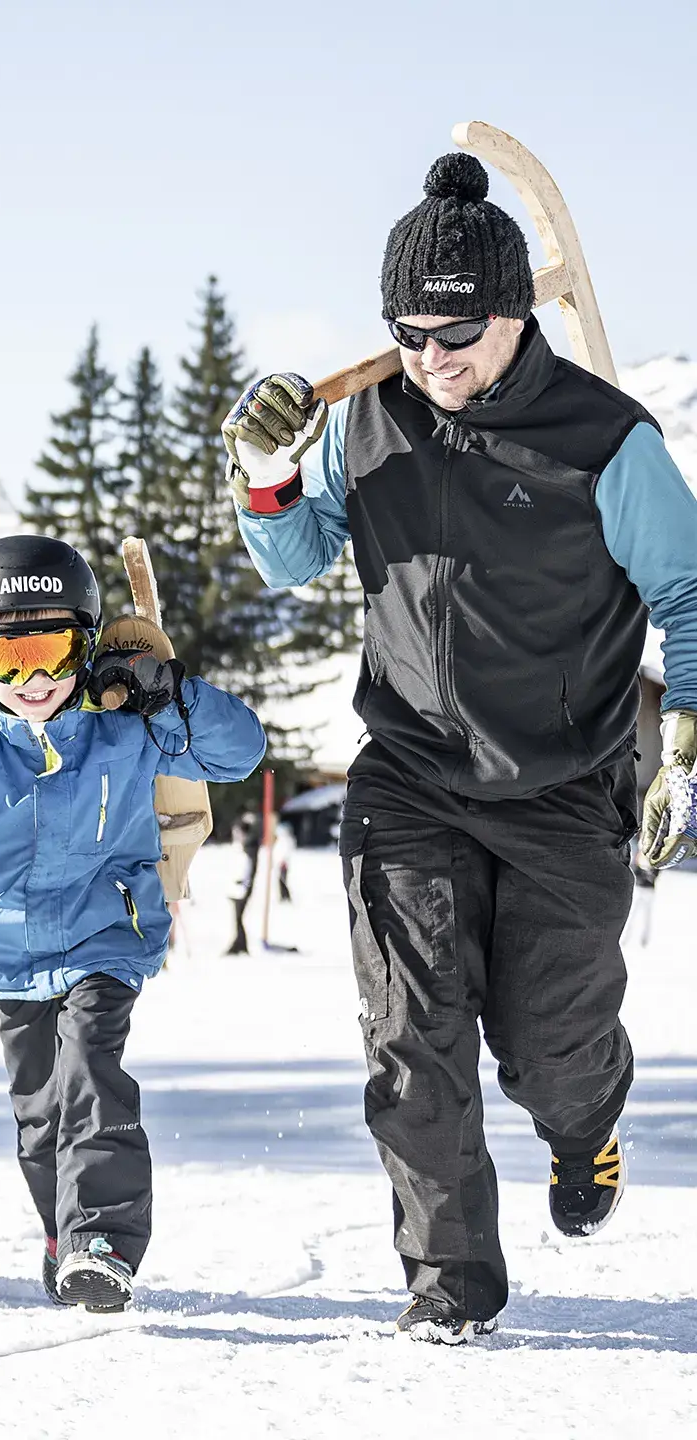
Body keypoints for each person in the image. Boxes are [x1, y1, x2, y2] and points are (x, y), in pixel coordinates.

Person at [223, 153, 697, 1343]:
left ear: (517, 310)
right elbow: (289, 559)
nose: (434, 356)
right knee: (412, 1047)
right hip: (412, 782)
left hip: (567, 786)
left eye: (460, 330)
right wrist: (267, 474)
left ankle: (585, 1131)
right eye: (410, 331)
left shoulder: (606, 437)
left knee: (550, 1050)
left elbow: (688, 591)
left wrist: (684, 736)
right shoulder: (367, 423)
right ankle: (449, 1289)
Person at [0, 536, 265, 1312]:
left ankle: (103, 1241)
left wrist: (171, 694)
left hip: (103, 936)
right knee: (39, 1118)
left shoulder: (130, 726)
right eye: (10, 657)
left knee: (92, 1074)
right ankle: (63, 1236)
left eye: (51, 650)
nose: (36, 679)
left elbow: (239, 753)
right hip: (6, 946)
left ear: (84, 647)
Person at [224, 814, 258, 955]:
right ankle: (239, 943)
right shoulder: (243, 847)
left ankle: (240, 944)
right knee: (237, 918)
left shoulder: (249, 849)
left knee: (239, 917)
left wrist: (242, 885)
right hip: (239, 886)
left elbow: (246, 870)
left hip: (242, 887)